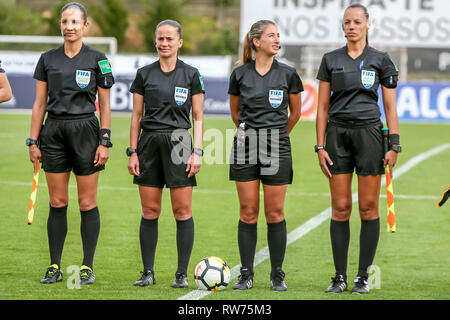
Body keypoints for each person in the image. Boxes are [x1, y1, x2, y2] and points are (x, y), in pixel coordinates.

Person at [315, 4, 401, 294]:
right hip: (337, 136)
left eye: (357, 22)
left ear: (368, 25)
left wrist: (394, 144)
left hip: (369, 136)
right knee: (340, 208)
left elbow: (389, 106)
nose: (351, 26)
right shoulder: (330, 59)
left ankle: (362, 277)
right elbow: (322, 107)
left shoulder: (381, 60)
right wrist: (319, 146)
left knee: (367, 207)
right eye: (347, 22)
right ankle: (339, 277)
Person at [28, 2, 114, 285]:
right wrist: (33, 140)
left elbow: (105, 104)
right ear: (60, 24)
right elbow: (40, 103)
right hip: (53, 131)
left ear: (85, 26)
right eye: (65, 21)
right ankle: (54, 265)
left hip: (86, 131)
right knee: (57, 201)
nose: (69, 27)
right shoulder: (47, 59)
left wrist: (104, 141)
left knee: (87, 202)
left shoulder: (98, 58)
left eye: (75, 22)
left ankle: (87, 266)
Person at [127, 19, 204, 288]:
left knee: (182, 211)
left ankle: (181, 274)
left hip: (180, 142)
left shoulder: (191, 74)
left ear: (180, 42)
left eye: (170, 38)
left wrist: (197, 152)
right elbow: (136, 116)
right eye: (160, 38)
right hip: (148, 143)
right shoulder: (144, 73)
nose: (164, 43)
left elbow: (198, 117)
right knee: (150, 211)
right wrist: (133, 151)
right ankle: (147, 272)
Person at [228, 20, 303, 291]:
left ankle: (276, 274)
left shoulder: (288, 73)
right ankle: (246, 274)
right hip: (246, 146)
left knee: (275, 213)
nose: (277, 39)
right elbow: (236, 114)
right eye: (271, 35)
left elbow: (295, 114)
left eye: (278, 35)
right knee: (248, 212)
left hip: (277, 146)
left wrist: (277, 136)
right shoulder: (240, 74)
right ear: (256, 41)